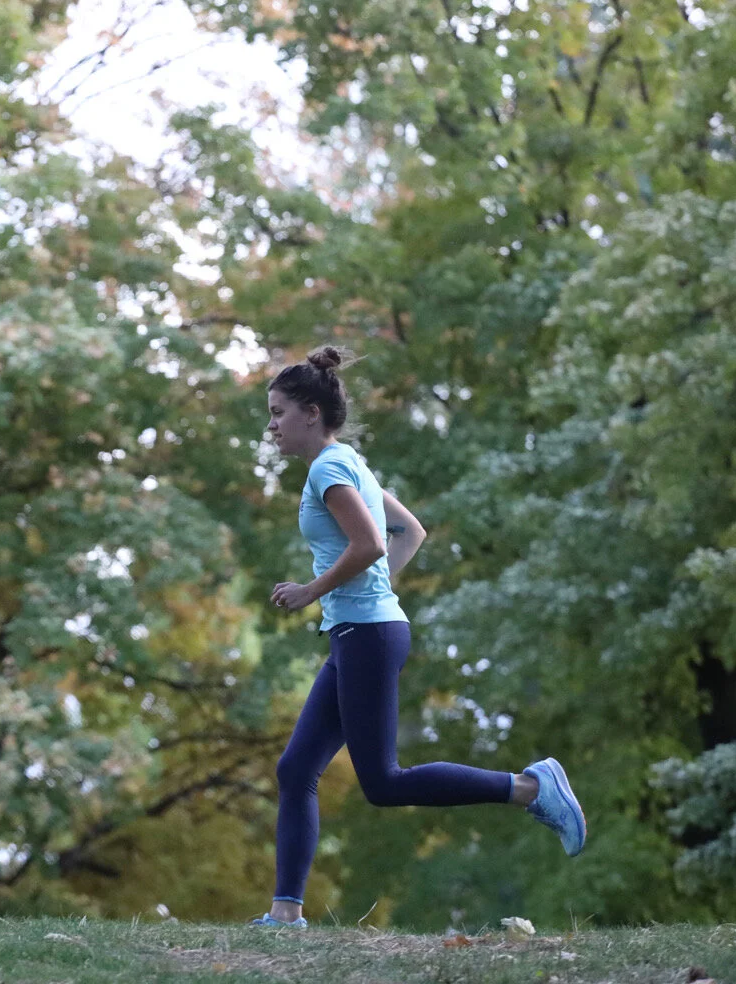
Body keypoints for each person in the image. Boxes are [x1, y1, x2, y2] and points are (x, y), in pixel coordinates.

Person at [247, 346, 585, 929]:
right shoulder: (347, 459)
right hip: (363, 627)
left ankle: (530, 787)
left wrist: (313, 590)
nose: (271, 425)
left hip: (367, 634)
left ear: (309, 412)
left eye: (278, 413)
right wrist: (363, 594)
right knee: (296, 767)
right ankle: (285, 914)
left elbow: (374, 545)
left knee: (383, 782)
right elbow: (410, 531)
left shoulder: (329, 469)